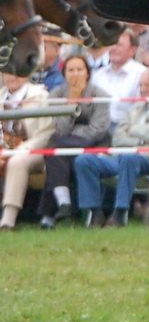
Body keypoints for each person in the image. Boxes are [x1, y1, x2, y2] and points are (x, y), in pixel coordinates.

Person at [74, 74, 149, 228]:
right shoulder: (134, 108)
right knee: (84, 160)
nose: (144, 89)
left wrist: (132, 130)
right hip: (121, 157)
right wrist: (141, 139)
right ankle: (95, 212)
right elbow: (118, 137)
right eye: (142, 85)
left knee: (129, 158)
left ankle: (120, 212)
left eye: (148, 85)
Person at [39, 54, 109, 229]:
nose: (75, 74)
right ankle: (63, 205)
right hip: (65, 143)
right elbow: (60, 128)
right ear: (64, 74)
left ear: (87, 72)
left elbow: (98, 130)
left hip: (93, 143)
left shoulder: (99, 95)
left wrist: (73, 133)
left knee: (54, 147)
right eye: (70, 70)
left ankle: (51, 213)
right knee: (58, 153)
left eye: (79, 69)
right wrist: (72, 102)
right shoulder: (56, 95)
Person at [1, 69, 52, 231]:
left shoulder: (40, 96)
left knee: (18, 161)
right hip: (4, 148)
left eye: (16, 72)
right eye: (7, 72)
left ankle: (8, 221)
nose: (11, 76)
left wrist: (19, 150)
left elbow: (46, 133)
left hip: (34, 151)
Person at [89, 29, 144, 128]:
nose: (114, 48)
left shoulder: (141, 75)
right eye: (112, 44)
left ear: (133, 50)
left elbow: (140, 110)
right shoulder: (99, 74)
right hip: (97, 127)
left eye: (119, 45)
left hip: (125, 128)